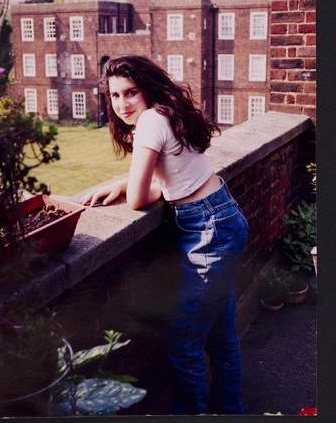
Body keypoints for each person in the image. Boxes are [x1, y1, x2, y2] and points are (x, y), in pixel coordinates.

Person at [82, 55, 249, 415]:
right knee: (220, 334)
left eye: (131, 92)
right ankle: (230, 410)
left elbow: (141, 198)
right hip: (222, 215)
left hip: (208, 230)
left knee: (184, 342)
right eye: (114, 95)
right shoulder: (165, 113)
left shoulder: (149, 121)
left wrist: (127, 184)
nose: (122, 103)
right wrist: (124, 182)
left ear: (147, 90)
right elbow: (166, 181)